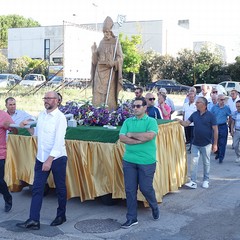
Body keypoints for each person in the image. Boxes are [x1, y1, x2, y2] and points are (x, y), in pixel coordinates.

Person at [16, 91, 68, 230]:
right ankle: (33, 220)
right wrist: (27, 126)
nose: (46, 100)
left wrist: (49, 160)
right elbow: (36, 134)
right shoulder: (41, 115)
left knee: (60, 188)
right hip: (41, 158)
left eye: (49, 98)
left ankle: (61, 215)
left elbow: (58, 142)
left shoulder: (60, 118)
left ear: (57, 101)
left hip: (57, 158)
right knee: (37, 189)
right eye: (45, 98)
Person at [119, 97, 159, 229]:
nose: (134, 108)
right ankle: (131, 218)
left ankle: (154, 205)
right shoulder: (128, 121)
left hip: (146, 161)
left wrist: (132, 134)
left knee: (145, 188)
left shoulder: (151, 121)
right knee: (130, 190)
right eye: (133, 106)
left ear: (144, 108)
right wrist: (138, 140)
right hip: (129, 161)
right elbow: (122, 138)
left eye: (138, 106)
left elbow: (149, 136)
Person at [177, 97, 218, 189]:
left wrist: (215, 144)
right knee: (194, 162)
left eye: (198, 102)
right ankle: (193, 181)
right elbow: (186, 123)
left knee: (206, 162)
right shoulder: (194, 114)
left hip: (207, 143)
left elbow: (215, 130)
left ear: (204, 105)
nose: (195, 104)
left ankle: (206, 180)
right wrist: (179, 121)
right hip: (195, 143)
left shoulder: (211, 115)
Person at [91, 16, 123, 110]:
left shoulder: (116, 42)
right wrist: (94, 53)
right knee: (97, 96)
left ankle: (109, 113)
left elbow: (120, 57)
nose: (105, 34)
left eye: (107, 32)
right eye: (104, 32)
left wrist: (114, 63)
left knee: (109, 95)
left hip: (110, 73)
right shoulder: (101, 42)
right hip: (99, 72)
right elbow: (95, 62)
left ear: (111, 31)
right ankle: (96, 113)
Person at [0, 109, 17, 212]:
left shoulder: (4, 115)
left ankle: (7, 197)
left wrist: (9, 125)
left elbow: (15, 131)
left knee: (0, 180)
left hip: (0, 153)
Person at [211, 94, 231, 163]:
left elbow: (230, 116)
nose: (223, 101)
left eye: (224, 99)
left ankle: (221, 157)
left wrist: (230, 124)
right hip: (215, 126)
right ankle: (218, 153)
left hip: (223, 126)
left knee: (223, 142)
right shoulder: (214, 108)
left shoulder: (226, 108)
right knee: (215, 141)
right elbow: (211, 116)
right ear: (218, 100)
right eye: (221, 99)